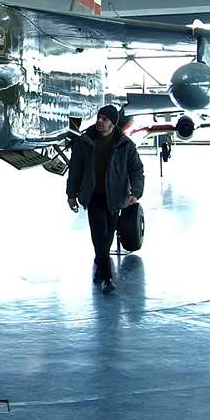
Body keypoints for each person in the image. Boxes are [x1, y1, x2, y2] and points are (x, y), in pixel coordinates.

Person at [66, 105, 145, 293]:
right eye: (99, 117)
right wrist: (71, 194)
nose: (99, 121)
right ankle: (107, 277)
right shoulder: (85, 142)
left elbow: (136, 170)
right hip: (93, 195)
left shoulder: (125, 145)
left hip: (115, 197)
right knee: (99, 235)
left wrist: (135, 193)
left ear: (112, 124)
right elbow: (75, 169)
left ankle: (99, 264)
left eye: (104, 119)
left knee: (108, 235)